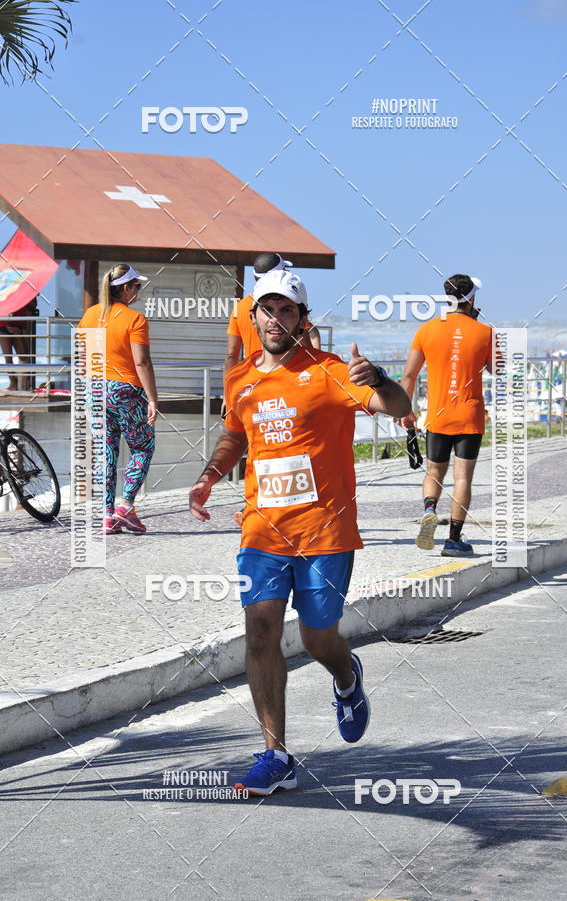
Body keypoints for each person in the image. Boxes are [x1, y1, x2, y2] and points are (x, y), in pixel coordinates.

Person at [189, 269, 411, 796]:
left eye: (286, 310)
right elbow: (235, 434)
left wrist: (379, 377)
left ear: (302, 319)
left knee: (317, 639)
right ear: (253, 318)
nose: (276, 319)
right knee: (261, 631)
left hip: (325, 532)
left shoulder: (331, 372)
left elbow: (401, 409)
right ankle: (276, 756)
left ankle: (346, 677)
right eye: (267, 309)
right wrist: (209, 476)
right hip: (261, 531)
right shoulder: (240, 378)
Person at [400, 274, 494, 557]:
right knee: (462, 478)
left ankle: (430, 509)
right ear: (471, 298)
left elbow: (409, 375)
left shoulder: (427, 329)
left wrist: (406, 411)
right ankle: (453, 539)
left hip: (438, 416)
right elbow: (499, 370)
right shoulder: (485, 332)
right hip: (469, 416)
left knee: (434, 472)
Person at [224, 252, 320, 526]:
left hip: (249, 387)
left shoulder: (242, 307)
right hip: (288, 382)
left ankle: (253, 506)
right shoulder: (289, 305)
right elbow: (308, 341)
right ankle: (289, 508)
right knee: (288, 446)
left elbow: (231, 354)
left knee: (256, 448)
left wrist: (229, 394)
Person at [78, 264, 158, 534]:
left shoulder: (90, 315)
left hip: (93, 389)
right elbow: (142, 362)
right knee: (143, 447)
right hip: (125, 390)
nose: (138, 291)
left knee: (106, 452)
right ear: (126, 288)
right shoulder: (135, 320)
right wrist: (153, 399)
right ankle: (125, 506)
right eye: (137, 286)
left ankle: (107, 516)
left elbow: (82, 356)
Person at [0, 296, 38, 391]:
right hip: (3, 322)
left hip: (18, 322)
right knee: (8, 357)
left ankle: (18, 384)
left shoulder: (24, 290)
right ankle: (13, 384)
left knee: (23, 356)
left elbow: (33, 304)